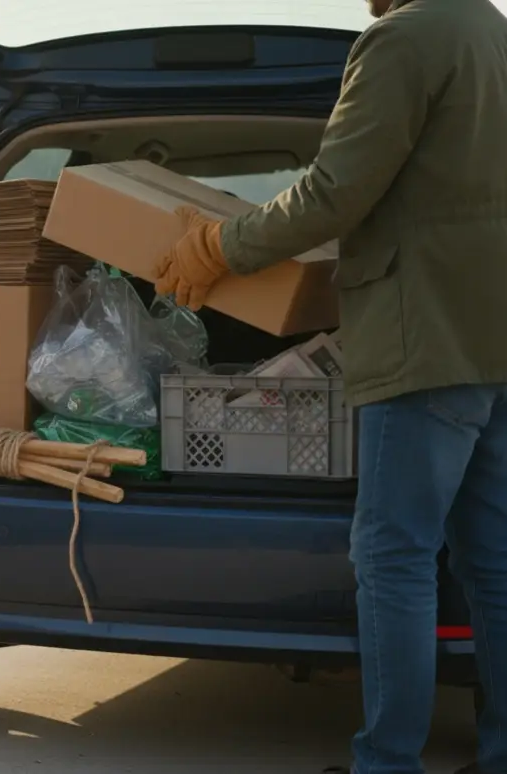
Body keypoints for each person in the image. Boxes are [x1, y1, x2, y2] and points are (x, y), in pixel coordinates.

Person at [151, 0, 507, 771]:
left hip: (424, 340)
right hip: (492, 341)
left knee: (394, 557)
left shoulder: (402, 38)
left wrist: (217, 245)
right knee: (492, 560)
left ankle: (387, 762)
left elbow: (334, 191)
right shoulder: (491, 30)